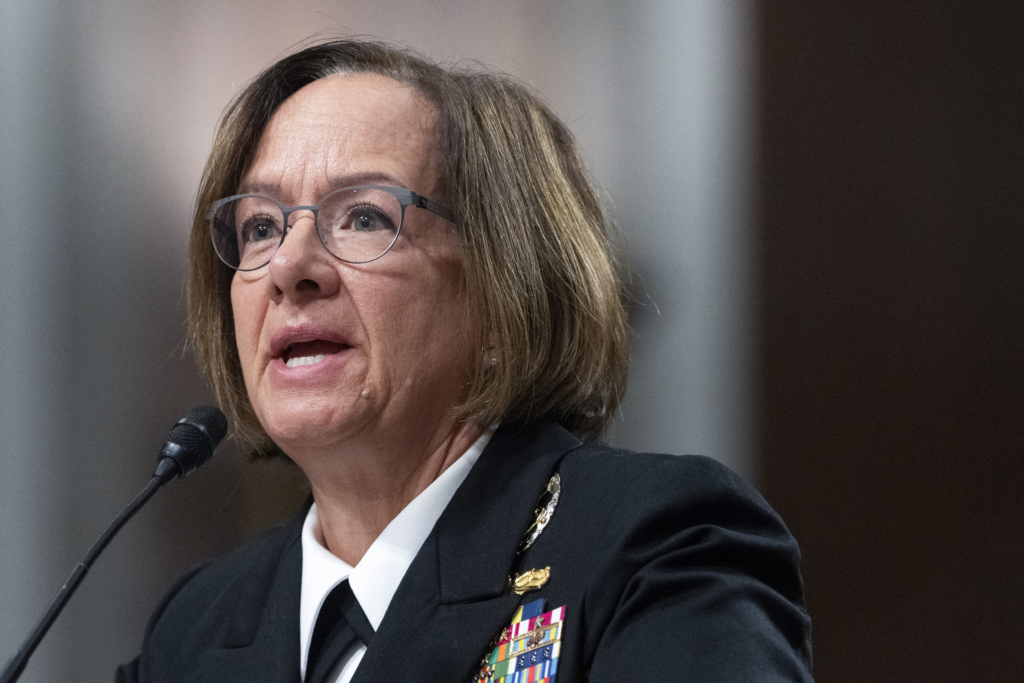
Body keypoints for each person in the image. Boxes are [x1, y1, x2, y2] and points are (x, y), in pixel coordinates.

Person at [118, 39, 812, 683]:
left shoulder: (652, 545)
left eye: (362, 216)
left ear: (503, 288)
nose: (290, 266)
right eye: (262, 226)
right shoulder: (194, 627)